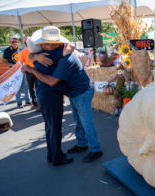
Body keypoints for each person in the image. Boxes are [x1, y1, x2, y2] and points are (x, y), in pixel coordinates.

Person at [24, 26, 103, 163]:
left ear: (57, 44)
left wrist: (31, 70)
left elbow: (52, 81)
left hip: (81, 92)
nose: (42, 45)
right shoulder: (54, 52)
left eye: (46, 43)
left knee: (86, 121)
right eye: (42, 43)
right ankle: (81, 144)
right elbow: (30, 54)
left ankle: (96, 149)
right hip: (73, 91)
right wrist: (35, 56)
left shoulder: (65, 59)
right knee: (78, 120)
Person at [23, 27, 73, 166]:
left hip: (42, 94)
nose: (48, 45)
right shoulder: (55, 53)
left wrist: (35, 57)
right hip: (52, 94)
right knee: (55, 127)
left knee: (49, 125)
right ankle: (57, 156)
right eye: (46, 43)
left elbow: (29, 56)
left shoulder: (40, 54)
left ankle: (51, 153)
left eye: (52, 43)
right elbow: (71, 47)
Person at [3, 36, 31, 108]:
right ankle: (19, 103)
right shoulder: (7, 51)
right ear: (10, 43)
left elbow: (25, 60)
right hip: (13, 71)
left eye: (16, 41)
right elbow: (4, 62)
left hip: (22, 70)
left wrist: (24, 65)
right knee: (16, 87)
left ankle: (27, 101)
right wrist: (13, 65)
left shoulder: (21, 50)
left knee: (25, 86)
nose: (15, 43)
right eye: (13, 42)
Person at [18, 37, 40, 112]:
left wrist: (23, 69)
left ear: (25, 44)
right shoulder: (36, 50)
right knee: (38, 88)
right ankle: (39, 104)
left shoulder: (22, 52)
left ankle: (35, 104)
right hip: (37, 70)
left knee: (31, 89)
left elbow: (20, 62)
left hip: (29, 71)